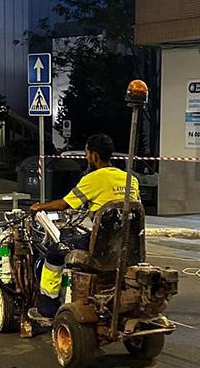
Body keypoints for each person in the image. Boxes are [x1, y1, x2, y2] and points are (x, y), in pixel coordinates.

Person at [29, 134, 140, 320]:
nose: (87, 158)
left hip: (100, 245)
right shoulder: (131, 179)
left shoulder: (93, 178)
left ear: (95, 156)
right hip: (127, 244)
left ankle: (47, 308)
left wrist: (39, 207)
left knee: (55, 251)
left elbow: (65, 204)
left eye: (88, 154)